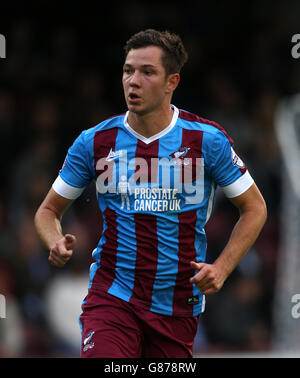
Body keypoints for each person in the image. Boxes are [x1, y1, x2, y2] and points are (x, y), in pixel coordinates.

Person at [34, 29, 267, 358]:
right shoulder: (94, 142)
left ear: (172, 81)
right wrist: (53, 240)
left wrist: (223, 268)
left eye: (147, 72)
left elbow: (255, 208)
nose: (133, 81)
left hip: (176, 304)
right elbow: (47, 211)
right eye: (128, 70)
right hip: (112, 296)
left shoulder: (207, 141)